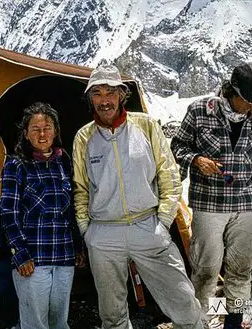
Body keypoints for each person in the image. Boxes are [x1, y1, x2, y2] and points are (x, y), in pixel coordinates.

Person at [73, 63, 203, 329]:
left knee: (183, 302)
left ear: (121, 95)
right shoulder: (84, 137)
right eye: (97, 93)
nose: (104, 100)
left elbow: (168, 174)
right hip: (104, 233)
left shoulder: (145, 126)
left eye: (110, 92)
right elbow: (81, 189)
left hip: (147, 226)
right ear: (90, 98)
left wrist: (164, 220)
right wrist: (89, 232)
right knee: (112, 315)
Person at [170, 62, 252, 329]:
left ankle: (234, 322)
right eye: (247, 101)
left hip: (245, 201)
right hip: (208, 203)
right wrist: (197, 159)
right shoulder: (201, 111)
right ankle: (198, 321)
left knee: (241, 269)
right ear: (232, 92)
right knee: (206, 269)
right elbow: (178, 146)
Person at [0, 102, 85, 329]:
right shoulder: (16, 165)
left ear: (55, 131)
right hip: (32, 258)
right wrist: (20, 254)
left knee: (59, 321)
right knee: (35, 323)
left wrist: (77, 246)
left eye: (47, 127)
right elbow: (9, 213)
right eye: (35, 128)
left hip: (63, 255)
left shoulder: (63, 160)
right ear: (25, 133)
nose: (42, 133)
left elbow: (71, 208)